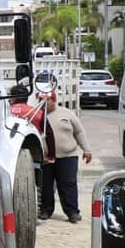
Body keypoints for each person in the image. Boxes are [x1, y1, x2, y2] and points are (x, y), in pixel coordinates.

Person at [38, 80, 93, 224]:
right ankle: (45, 210)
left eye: (47, 100)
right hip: (45, 158)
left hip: (68, 156)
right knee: (46, 185)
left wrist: (86, 149)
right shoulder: (37, 116)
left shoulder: (67, 113)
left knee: (68, 184)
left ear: (54, 100)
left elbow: (79, 132)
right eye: (41, 100)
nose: (44, 103)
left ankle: (72, 212)